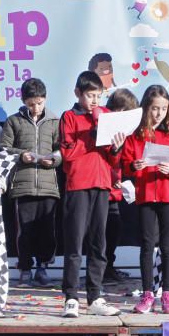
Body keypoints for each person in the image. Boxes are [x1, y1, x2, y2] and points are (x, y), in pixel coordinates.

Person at [117, 84, 169, 314]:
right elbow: (127, 163)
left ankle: (167, 294)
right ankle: (148, 293)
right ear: (146, 108)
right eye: (155, 108)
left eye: (164, 108)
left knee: (167, 245)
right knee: (147, 245)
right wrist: (135, 167)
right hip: (146, 195)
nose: (159, 114)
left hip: (167, 195)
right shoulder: (136, 135)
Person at [58, 70, 124, 318]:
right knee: (75, 243)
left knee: (99, 242)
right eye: (90, 95)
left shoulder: (106, 116)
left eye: (98, 95)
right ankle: (71, 296)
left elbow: (113, 158)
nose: (95, 101)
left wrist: (116, 146)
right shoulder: (69, 117)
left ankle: (95, 295)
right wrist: (91, 136)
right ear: (78, 93)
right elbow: (68, 154)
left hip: (102, 184)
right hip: (78, 185)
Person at [1, 78, 61, 288]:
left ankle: (42, 268)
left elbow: (61, 148)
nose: (35, 108)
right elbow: (3, 148)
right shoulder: (13, 121)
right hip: (23, 186)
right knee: (23, 231)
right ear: (23, 101)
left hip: (47, 186)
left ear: (45, 100)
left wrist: (54, 159)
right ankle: (24, 268)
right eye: (31, 104)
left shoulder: (54, 121)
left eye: (39, 103)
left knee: (47, 231)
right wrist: (21, 155)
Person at [103, 89, 139, 284]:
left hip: (119, 189)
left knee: (115, 228)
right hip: (102, 188)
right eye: (121, 111)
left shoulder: (129, 134)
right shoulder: (104, 129)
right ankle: (101, 269)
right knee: (102, 230)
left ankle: (109, 266)